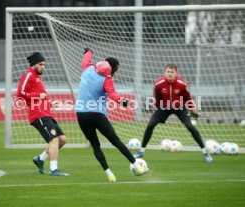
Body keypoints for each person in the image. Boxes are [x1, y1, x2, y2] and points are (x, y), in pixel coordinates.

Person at [75, 48, 148, 182]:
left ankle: (110, 175)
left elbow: (87, 58)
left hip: (81, 114)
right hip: (97, 115)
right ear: (111, 68)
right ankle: (136, 165)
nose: (114, 72)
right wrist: (124, 102)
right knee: (115, 141)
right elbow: (113, 94)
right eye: (115, 70)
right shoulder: (106, 79)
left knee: (95, 145)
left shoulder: (88, 68)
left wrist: (89, 51)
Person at [134, 64, 213, 163]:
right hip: (164, 107)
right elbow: (157, 98)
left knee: (190, 126)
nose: (170, 74)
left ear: (176, 73)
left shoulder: (182, 83)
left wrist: (192, 108)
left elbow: (188, 98)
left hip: (180, 107)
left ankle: (205, 152)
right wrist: (156, 107)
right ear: (164, 72)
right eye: (168, 72)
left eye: (172, 72)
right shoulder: (158, 83)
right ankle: (141, 151)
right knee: (150, 125)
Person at [17, 52, 69, 176]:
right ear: (34, 64)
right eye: (41, 64)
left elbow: (41, 97)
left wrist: (50, 103)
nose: (43, 67)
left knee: (62, 140)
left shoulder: (38, 78)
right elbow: (20, 94)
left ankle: (40, 159)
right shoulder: (28, 75)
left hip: (46, 112)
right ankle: (53, 170)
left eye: (44, 65)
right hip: (38, 114)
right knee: (54, 139)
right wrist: (38, 96)